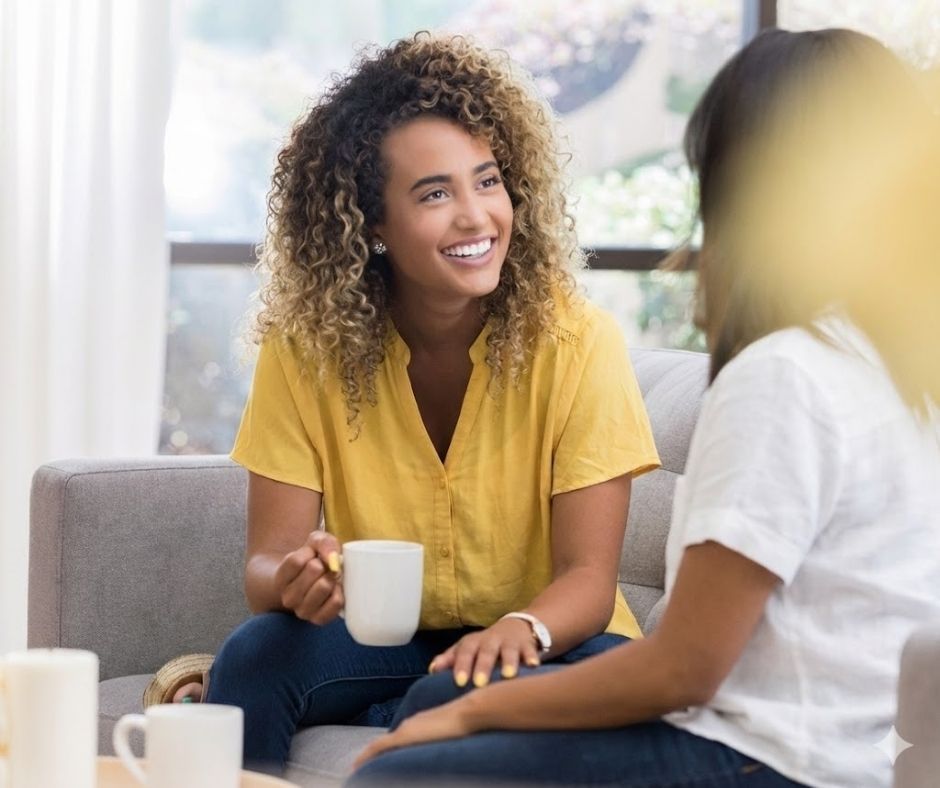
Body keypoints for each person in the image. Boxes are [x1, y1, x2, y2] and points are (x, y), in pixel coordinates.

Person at [350, 28, 940, 788]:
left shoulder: (787, 376)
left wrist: (472, 714)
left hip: (764, 763)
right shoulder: (889, 370)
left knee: (401, 775)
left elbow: (684, 669)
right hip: (838, 760)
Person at [165, 32, 660, 774]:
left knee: (447, 698)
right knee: (255, 658)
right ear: (370, 225)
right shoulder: (306, 350)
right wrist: (297, 579)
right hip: (381, 639)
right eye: (435, 193)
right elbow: (265, 566)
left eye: (487, 181)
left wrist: (520, 628)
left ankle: (394, 715)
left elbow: (588, 581)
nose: (476, 217)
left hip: (552, 640)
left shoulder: (577, 341)